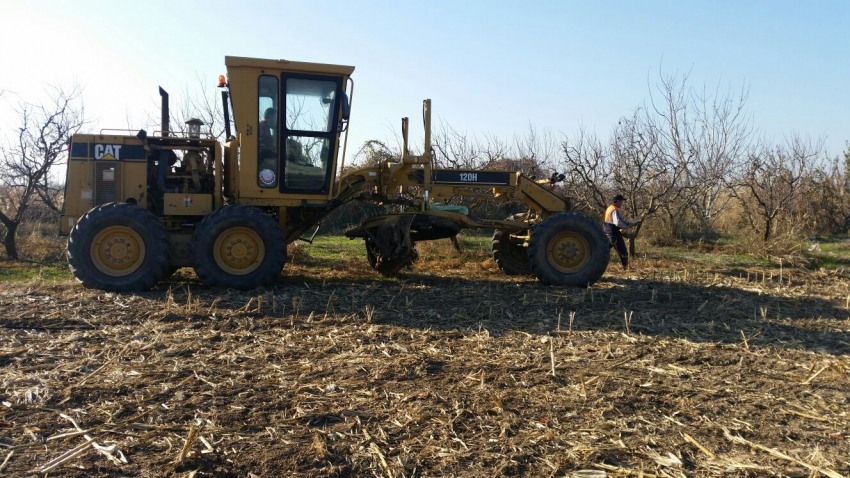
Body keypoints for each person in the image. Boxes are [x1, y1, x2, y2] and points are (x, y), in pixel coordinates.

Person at [603, 194, 640, 270]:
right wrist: (628, 225)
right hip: (614, 234)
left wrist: (625, 225)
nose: (622, 203)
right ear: (617, 201)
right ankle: (626, 268)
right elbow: (618, 222)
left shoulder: (609, 208)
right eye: (621, 201)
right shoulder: (615, 210)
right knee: (623, 252)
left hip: (607, 232)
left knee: (603, 250)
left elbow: (613, 222)